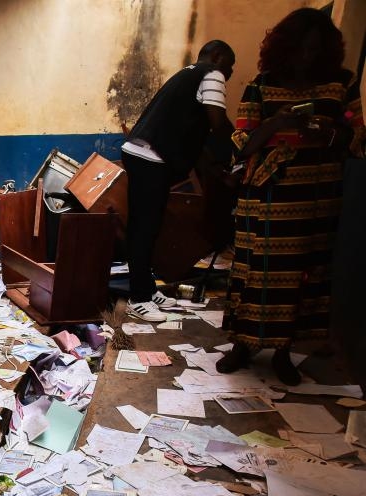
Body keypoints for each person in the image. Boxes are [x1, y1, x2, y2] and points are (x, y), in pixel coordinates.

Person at [217, 8, 364, 385]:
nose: (306, 57)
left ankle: (283, 352)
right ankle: (242, 345)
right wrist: (277, 124)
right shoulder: (262, 86)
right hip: (267, 197)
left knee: (301, 277)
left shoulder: (340, 86)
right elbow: (242, 142)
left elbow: (357, 138)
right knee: (255, 273)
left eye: (314, 49)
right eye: (301, 48)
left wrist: (328, 133)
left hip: (316, 196)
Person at [122, 40, 236, 323]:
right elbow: (218, 123)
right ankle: (138, 298)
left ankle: (146, 290)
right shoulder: (211, 73)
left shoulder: (188, 75)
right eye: (230, 66)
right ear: (218, 56)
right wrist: (241, 144)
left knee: (148, 227)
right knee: (145, 229)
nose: (230, 74)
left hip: (145, 154)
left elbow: (195, 135)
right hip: (150, 157)